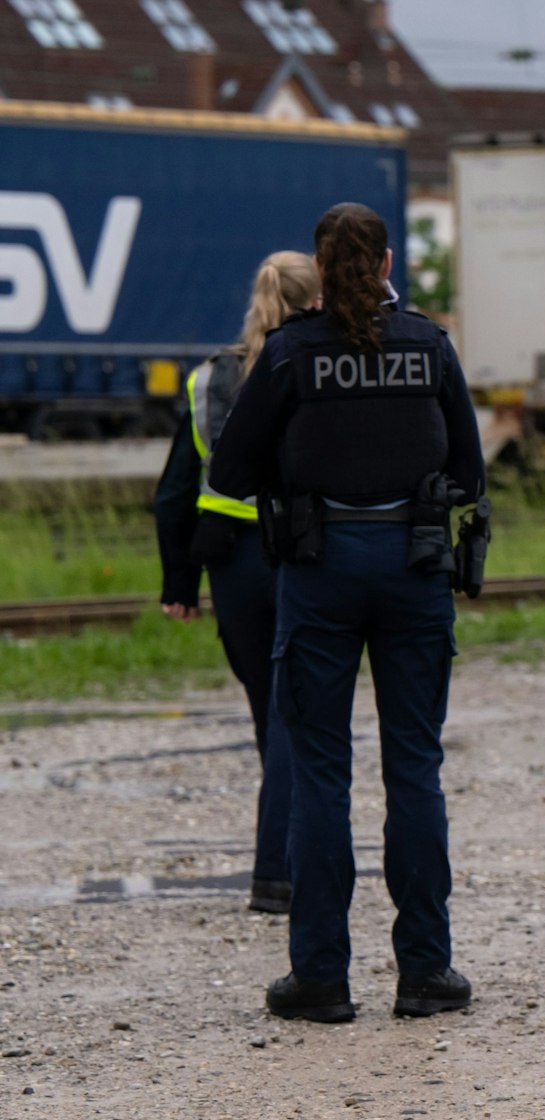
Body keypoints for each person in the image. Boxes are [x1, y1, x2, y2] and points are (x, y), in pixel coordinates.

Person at [209, 202, 484, 1024]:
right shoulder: (429, 346)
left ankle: (322, 976)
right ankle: (426, 971)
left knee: (323, 774)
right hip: (413, 569)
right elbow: (468, 470)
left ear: (321, 272)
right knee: (415, 768)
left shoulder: (292, 353)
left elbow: (229, 469)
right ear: (390, 263)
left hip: (320, 570)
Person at [154, 250, 319, 916]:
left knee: (269, 710)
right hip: (299, 554)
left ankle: (289, 848)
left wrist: (179, 582)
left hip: (232, 567)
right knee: (294, 714)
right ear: (315, 300)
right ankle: (276, 871)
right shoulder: (314, 363)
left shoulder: (208, 380)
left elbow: (173, 492)